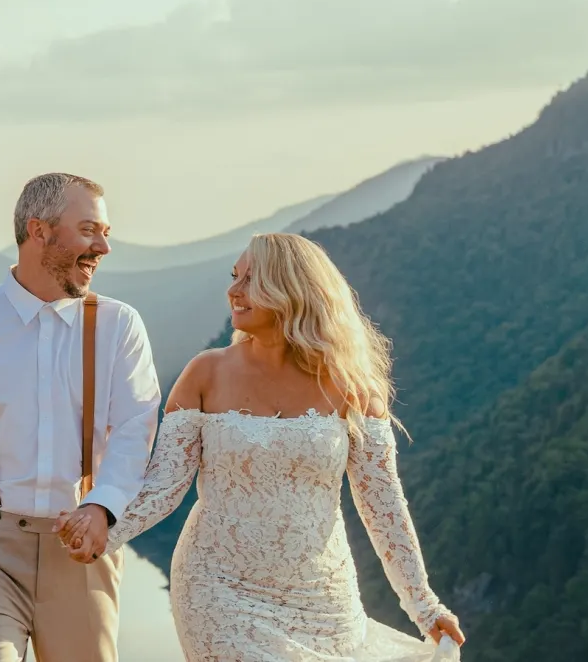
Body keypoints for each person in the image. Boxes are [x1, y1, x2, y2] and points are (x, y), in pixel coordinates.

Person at [59, 232, 465, 661]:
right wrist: (105, 530)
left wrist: (423, 605)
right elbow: (164, 486)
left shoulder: (354, 388)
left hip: (325, 600)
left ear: (290, 289)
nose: (233, 291)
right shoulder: (206, 373)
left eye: (251, 280)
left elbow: (383, 506)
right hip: (218, 591)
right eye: (235, 277)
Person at [0, 172, 163, 662]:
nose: (103, 246)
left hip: (83, 551)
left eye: (106, 233)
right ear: (38, 231)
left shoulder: (118, 326)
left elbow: (135, 428)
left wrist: (102, 507)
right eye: (89, 230)